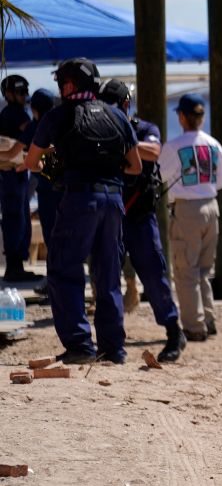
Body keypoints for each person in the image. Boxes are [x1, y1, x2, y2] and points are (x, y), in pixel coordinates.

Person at [22, 58, 141, 364]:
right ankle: (113, 349)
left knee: (64, 271)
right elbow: (135, 166)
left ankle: (80, 345)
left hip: (79, 199)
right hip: (113, 201)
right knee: (108, 274)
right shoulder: (117, 116)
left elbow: (31, 162)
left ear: (69, 84)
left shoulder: (56, 117)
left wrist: (54, 163)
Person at [98, 80, 186, 362]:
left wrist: (122, 140)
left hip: (139, 215)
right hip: (110, 214)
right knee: (106, 278)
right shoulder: (96, 132)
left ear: (126, 105)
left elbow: (154, 151)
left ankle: (174, 331)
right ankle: (111, 344)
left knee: (152, 273)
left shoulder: (143, 129)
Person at [158, 94, 222, 342]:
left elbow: (160, 174)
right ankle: (208, 318)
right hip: (211, 207)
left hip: (188, 210)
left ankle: (194, 327)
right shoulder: (213, 144)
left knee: (185, 270)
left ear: (183, 117)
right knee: (204, 270)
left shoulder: (174, 146)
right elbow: (221, 179)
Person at [0, 74, 39, 283]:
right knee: (16, 218)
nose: (24, 96)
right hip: (12, 175)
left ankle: (16, 267)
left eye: (25, 91)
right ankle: (14, 268)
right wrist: (40, 119)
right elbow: (30, 134)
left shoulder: (11, 112)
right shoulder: (14, 114)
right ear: (8, 94)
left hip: (14, 174)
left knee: (18, 218)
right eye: (20, 92)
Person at [25, 88, 60, 293]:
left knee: (51, 238)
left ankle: (53, 283)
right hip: (65, 191)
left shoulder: (36, 128)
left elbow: (26, 157)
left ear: (34, 109)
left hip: (47, 192)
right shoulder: (59, 125)